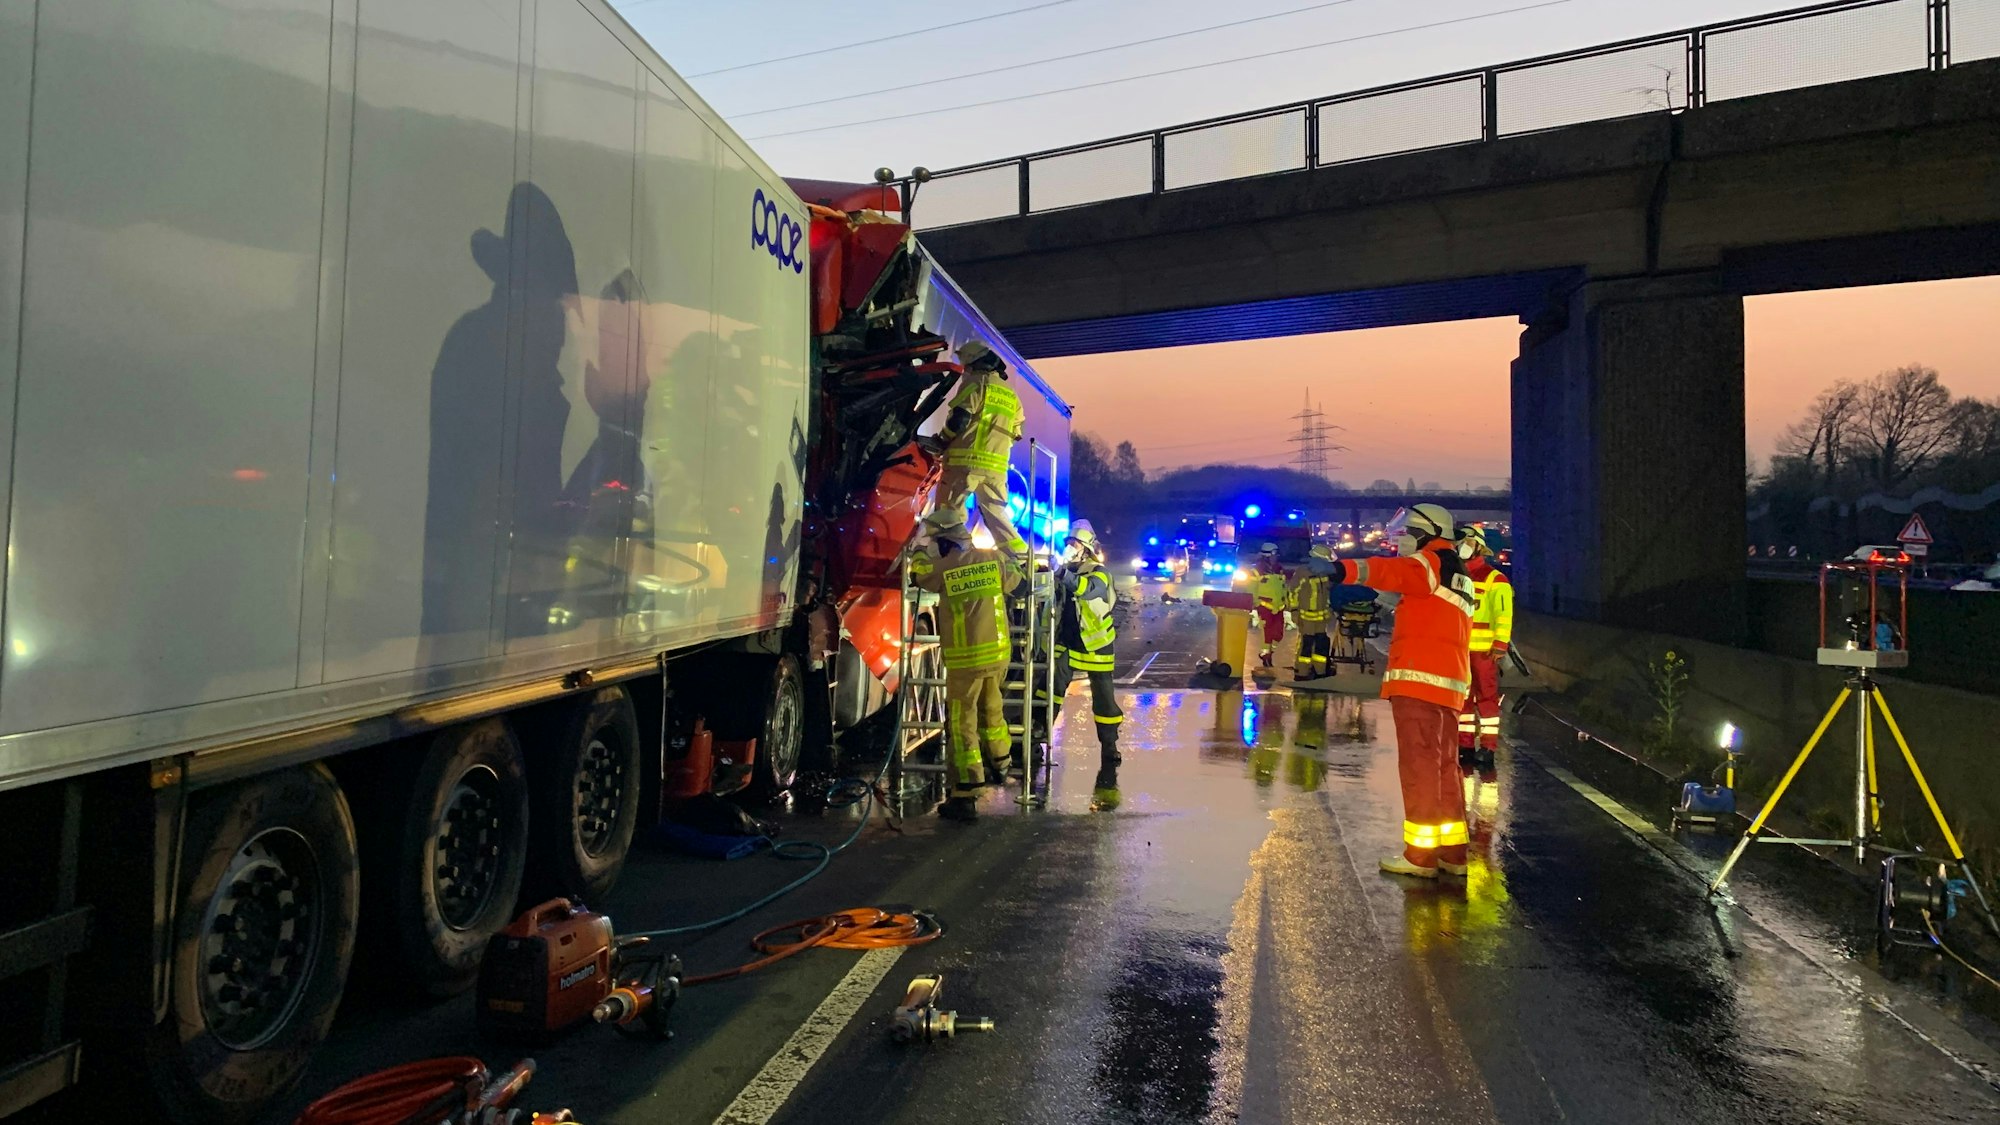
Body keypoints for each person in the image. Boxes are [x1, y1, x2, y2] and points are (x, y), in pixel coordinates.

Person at [1308, 504, 1476, 879]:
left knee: (1419, 768)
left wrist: (1342, 569)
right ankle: (1453, 854)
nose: (1402, 540)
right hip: (1449, 686)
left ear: (1426, 533)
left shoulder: (1430, 562)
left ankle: (1420, 857)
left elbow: (1389, 570)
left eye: (1408, 532)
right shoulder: (1457, 572)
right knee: (1445, 768)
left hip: (1419, 682)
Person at [910, 528, 1025, 822]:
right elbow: (1016, 577)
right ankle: (1001, 762)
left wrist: (921, 548)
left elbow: (920, 574)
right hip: (997, 655)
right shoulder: (995, 560)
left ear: (947, 544)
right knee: (993, 708)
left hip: (966, 660)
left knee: (963, 724)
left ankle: (966, 789)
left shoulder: (946, 567)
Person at [926, 340, 1027, 561]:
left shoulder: (976, 383)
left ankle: (953, 557)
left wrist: (942, 441)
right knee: (996, 514)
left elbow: (959, 419)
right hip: (997, 470)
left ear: (973, 363)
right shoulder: (1011, 395)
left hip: (965, 463)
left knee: (949, 512)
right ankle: (1019, 557)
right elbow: (1016, 433)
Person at [1055, 520, 1124, 809]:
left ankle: (1110, 746)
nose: (1070, 548)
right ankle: (1034, 740)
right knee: (1049, 692)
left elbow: (1088, 590)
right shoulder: (1064, 570)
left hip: (1096, 645)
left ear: (1086, 548)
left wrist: (1062, 574)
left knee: (1104, 701)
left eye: (1075, 544)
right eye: (1068, 543)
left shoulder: (1100, 573)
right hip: (1068, 642)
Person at [1458, 528, 1513, 776]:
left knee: (1487, 700)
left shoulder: (1495, 579)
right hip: (1460, 651)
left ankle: (1488, 748)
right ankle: (1465, 746)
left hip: (1485, 653)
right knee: (1463, 701)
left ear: (1479, 546)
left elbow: (1504, 615)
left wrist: (1500, 644)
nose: (1462, 545)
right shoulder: (1459, 577)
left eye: (1467, 541)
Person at [1288, 544, 1335, 679]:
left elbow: (1327, 594)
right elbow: (1293, 593)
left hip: (1321, 619)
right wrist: (1294, 611)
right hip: (1306, 617)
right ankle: (1302, 673)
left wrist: (1329, 610)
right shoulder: (1303, 572)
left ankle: (1320, 671)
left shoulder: (1324, 573)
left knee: (1321, 645)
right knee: (1306, 645)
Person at [1251, 542, 1289, 670]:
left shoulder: (1279, 568)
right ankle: (1266, 657)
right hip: (1264, 606)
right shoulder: (1257, 570)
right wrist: (1256, 604)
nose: (1276, 556)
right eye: (1274, 554)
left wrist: (1287, 601)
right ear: (1267, 555)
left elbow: (1283, 587)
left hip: (1279, 607)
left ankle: (1269, 653)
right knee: (1267, 633)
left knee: (1279, 634)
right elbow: (1251, 589)